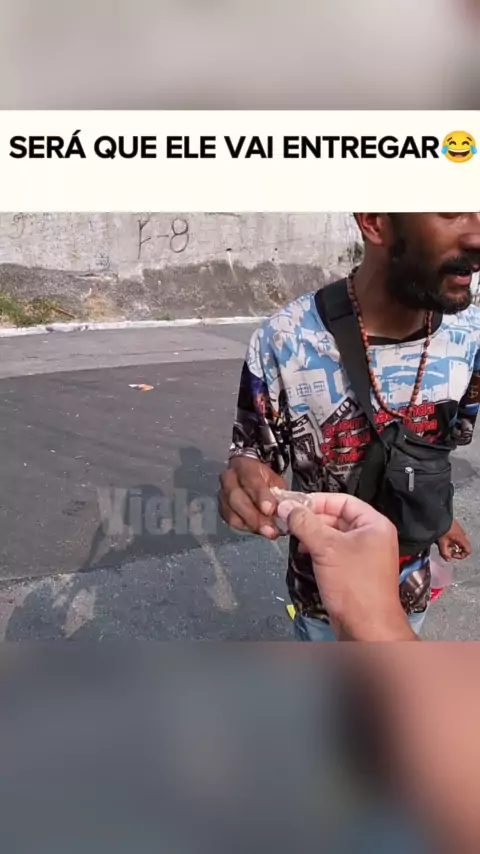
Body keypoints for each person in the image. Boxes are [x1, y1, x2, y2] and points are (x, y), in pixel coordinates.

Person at [219, 213, 480, 641]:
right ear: (374, 221)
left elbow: (437, 450)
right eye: (452, 210)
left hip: (411, 593)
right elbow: (254, 456)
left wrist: (439, 517)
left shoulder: (471, 337)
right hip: (324, 602)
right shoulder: (285, 340)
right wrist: (246, 476)